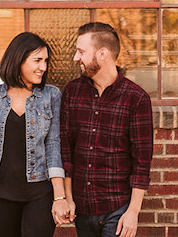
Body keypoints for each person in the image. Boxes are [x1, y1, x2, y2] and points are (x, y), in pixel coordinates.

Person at [0, 31, 72, 236]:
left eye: (45, 61)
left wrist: (59, 198)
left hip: (40, 195)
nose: (43, 67)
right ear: (18, 59)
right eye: (37, 60)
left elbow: (54, 146)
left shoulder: (51, 95)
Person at [59, 21, 154, 237]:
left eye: (81, 51)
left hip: (117, 209)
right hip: (82, 209)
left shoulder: (136, 98)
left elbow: (142, 161)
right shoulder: (72, 92)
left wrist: (133, 212)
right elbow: (66, 150)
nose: (76, 58)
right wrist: (68, 198)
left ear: (102, 54)